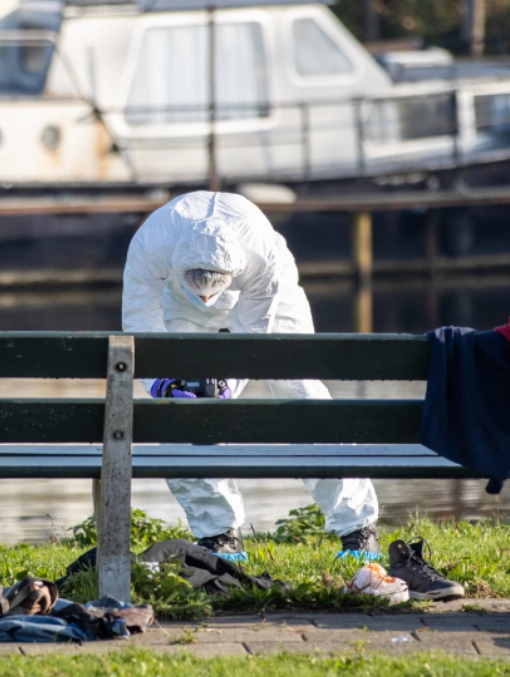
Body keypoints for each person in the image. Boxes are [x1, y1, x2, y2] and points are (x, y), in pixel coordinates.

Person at [123, 190, 381, 561]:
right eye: (200, 284)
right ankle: (218, 535)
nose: (209, 299)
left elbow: (252, 339)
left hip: (264, 294)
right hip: (177, 302)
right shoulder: (151, 244)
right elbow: (141, 323)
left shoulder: (263, 253)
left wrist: (222, 386)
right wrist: (163, 382)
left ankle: (358, 527)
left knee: (302, 394)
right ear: (178, 262)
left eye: (214, 286)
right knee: (184, 411)